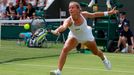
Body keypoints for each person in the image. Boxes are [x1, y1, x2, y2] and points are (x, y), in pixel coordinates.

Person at [50, 1, 118, 75]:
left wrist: (109, 13)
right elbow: (63, 27)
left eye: (72, 8)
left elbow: (95, 14)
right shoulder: (68, 20)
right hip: (74, 37)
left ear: (78, 9)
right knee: (65, 49)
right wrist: (57, 30)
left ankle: (104, 59)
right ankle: (59, 71)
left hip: (86, 36)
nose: (70, 9)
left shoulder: (84, 14)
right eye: (69, 8)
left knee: (96, 52)